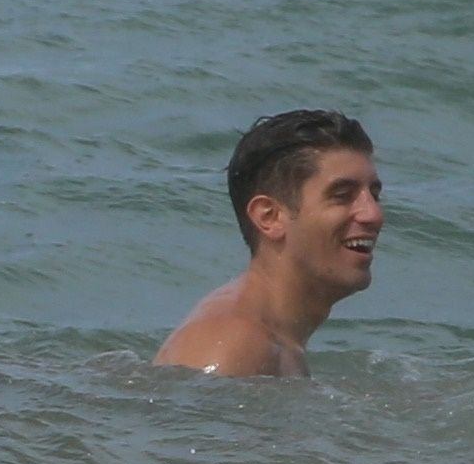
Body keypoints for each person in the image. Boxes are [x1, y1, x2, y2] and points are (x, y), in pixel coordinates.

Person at [155, 109, 384, 377]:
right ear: (270, 217)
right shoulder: (236, 344)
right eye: (342, 195)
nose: (374, 214)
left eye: (374, 195)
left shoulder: (271, 341)